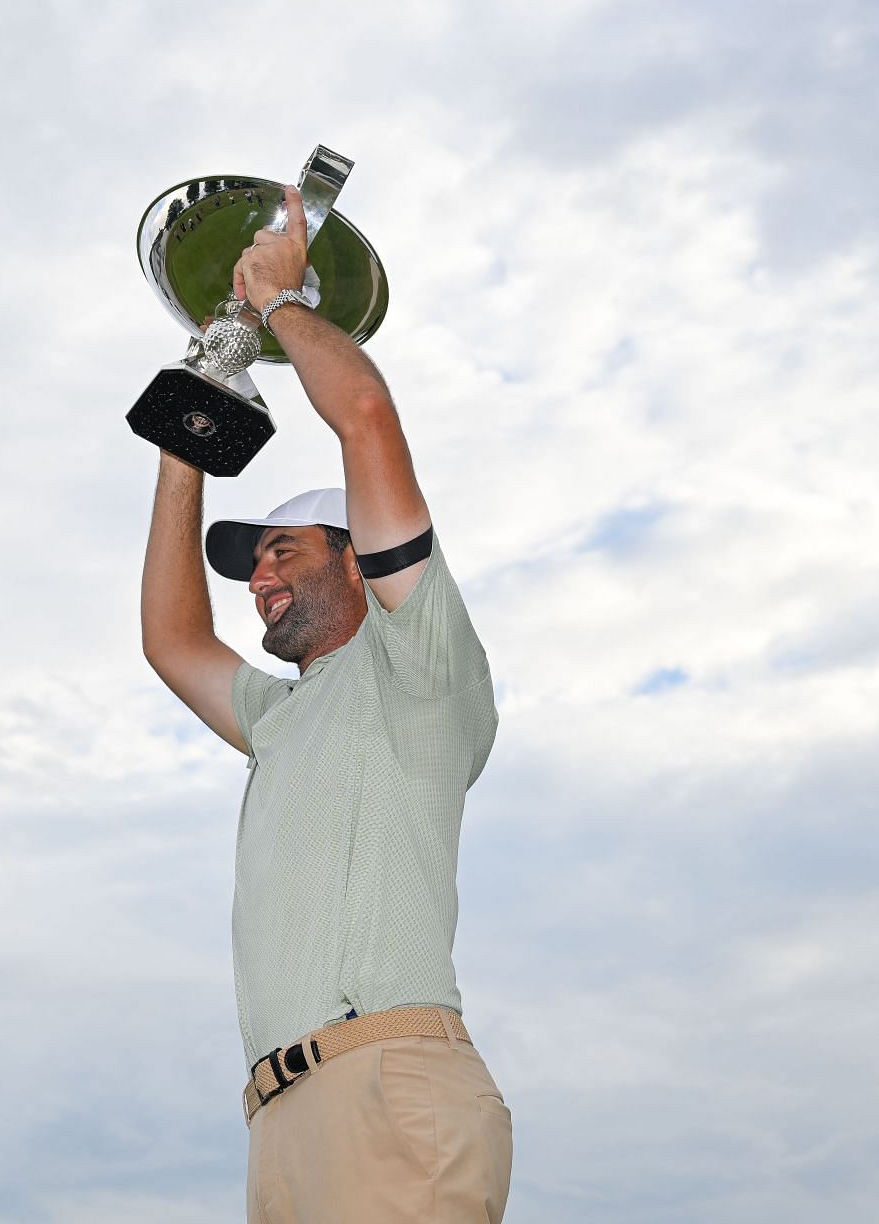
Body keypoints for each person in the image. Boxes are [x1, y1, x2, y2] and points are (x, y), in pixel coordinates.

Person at [140, 184, 512, 1222]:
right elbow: (172, 643)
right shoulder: (281, 716)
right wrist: (186, 447)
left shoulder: (421, 666)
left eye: (283, 551)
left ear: (356, 565)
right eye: (254, 562)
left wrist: (283, 301)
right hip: (278, 1119)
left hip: (389, 1081)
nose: (259, 576)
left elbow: (365, 417)